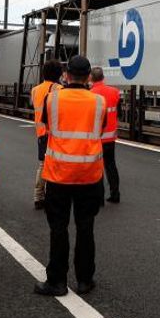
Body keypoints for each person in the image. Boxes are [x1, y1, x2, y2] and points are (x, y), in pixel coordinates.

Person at [34, 55, 105, 297]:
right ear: (87, 77)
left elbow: (46, 125)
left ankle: (57, 281)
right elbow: (101, 128)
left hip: (58, 174)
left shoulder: (52, 98)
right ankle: (85, 280)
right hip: (89, 173)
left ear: (67, 74)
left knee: (58, 227)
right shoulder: (98, 101)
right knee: (86, 227)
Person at [30, 60, 64, 210]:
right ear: (58, 74)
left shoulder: (35, 90)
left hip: (40, 132)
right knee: (55, 165)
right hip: (54, 133)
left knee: (42, 164)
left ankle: (38, 195)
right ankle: (51, 196)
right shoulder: (58, 88)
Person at [89, 67, 121, 203]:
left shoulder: (90, 94)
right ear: (103, 77)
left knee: (97, 167)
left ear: (91, 78)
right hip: (111, 137)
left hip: (97, 137)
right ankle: (115, 194)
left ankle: (99, 197)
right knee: (111, 165)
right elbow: (117, 111)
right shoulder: (115, 92)